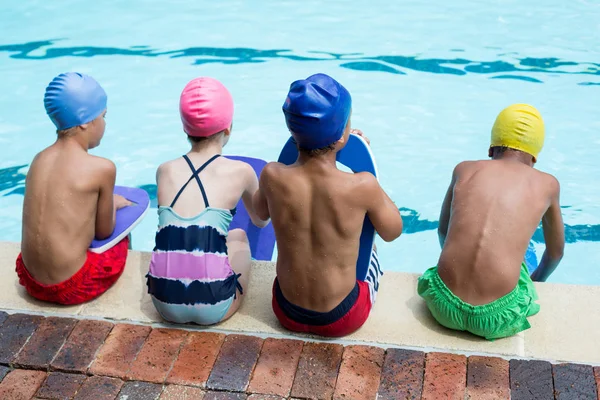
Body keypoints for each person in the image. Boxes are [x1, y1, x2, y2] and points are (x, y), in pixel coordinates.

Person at [253, 73, 403, 337]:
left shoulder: (271, 175)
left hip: (285, 311)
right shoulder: (362, 185)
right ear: (344, 136)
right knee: (374, 248)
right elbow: (393, 231)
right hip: (342, 317)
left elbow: (259, 217)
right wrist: (363, 157)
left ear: (292, 129)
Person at [418, 103, 565, 340]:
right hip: (497, 317)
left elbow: (443, 232)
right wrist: (536, 282)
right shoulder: (548, 184)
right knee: (526, 251)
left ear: (490, 149)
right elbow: (556, 253)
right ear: (535, 157)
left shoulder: (464, 169)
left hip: (441, 304)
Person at [147, 77, 269, 325]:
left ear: (185, 129)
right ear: (228, 129)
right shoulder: (242, 171)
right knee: (238, 237)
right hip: (214, 306)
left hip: (162, 303)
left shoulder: (164, 170)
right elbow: (261, 220)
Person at [16, 72, 131, 305]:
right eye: (103, 116)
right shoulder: (102, 168)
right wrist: (115, 203)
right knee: (123, 236)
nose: (105, 124)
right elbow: (104, 232)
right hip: (74, 286)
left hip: (30, 282)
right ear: (86, 121)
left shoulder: (38, 160)